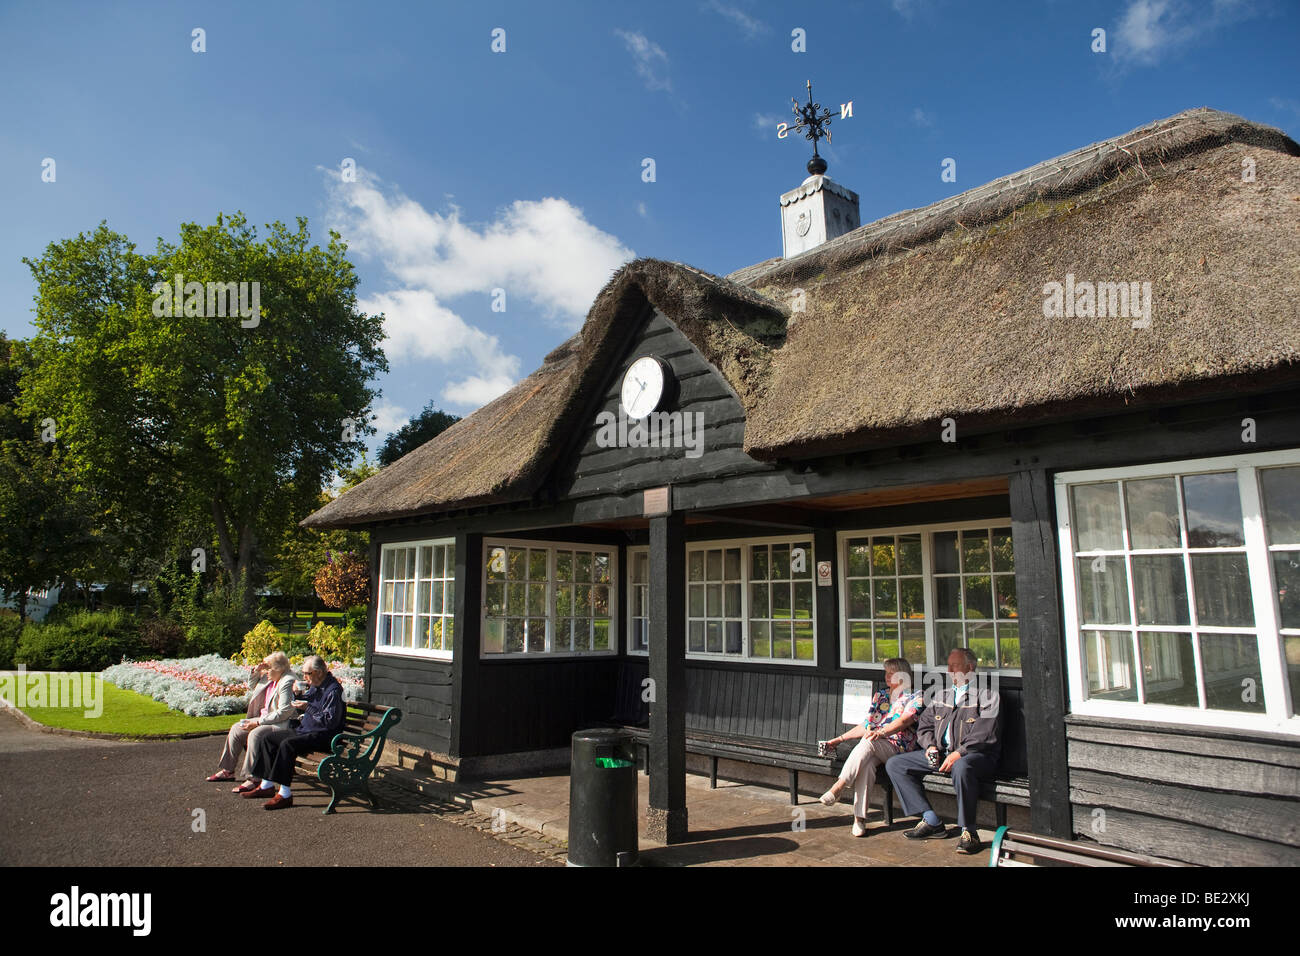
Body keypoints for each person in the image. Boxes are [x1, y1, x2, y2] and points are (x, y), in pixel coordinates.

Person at [884, 647, 1001, 854]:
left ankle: (969, 831)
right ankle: (931, 820)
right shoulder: (942, 695)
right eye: (948, 666)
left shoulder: (988, 695)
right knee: (896, 764)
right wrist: (930, 746)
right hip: (942, 754)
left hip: (976, 756)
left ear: (970, 667)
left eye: (954, 666)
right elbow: (924, 726)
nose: (948, 670)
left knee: (962, 768)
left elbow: (984, 734)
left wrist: (960, 753)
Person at [817, 657, 923, 836]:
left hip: (899, 748)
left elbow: (904, 721)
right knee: (866, 765)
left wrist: (881, 733)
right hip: (873, 745)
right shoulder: (880, 695)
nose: (887, 676)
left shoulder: (915, 696)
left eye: (892, 673)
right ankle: (859, 819)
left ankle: (839, 786)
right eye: (886, 672)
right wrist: (839, 739)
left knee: (868, 741)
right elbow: (866, 724)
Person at [244, 655, 346, 810]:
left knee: (287, 745)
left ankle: (285, 794)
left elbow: (330, 721)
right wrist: (298, 695)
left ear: (319, 672)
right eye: (304, 673)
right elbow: (308, 700)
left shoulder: (333, 690)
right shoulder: (317, 684)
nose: (304, 677)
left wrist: (307, 708)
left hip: (325, 736)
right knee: (268, 739)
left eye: (307, 673)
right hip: (307, 730)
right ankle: (266, 785)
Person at [208, 652, 296, 789]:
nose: (266, 671)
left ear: (278, 669)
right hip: (264, 718)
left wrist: (258, 722)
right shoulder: (270, 676)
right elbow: (252, 685)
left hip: (281, 723)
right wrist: (257, 671)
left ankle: (254, 777)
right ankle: (228, 771)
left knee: (256, 734)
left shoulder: (287, 680)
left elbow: (284, 712)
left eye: (268, 668)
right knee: (237, 728)